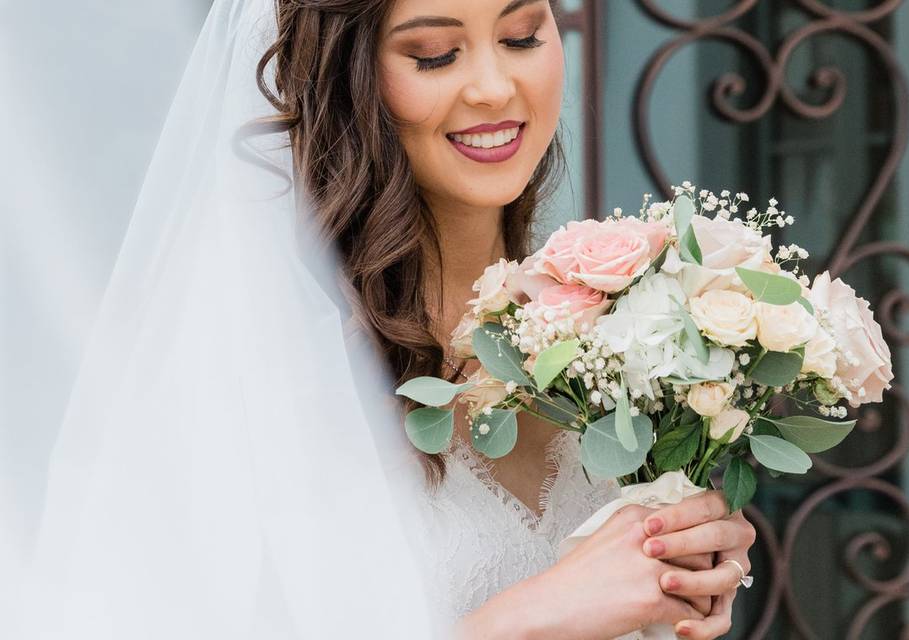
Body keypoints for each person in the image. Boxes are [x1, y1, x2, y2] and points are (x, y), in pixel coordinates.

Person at [11, 1, 754, 638]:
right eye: (435, 55)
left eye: (524, 35)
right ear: (350, 79)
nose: (495, 87)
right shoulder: (259, 363)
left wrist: (682, 567)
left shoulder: (630, 331)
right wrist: (522, 619)